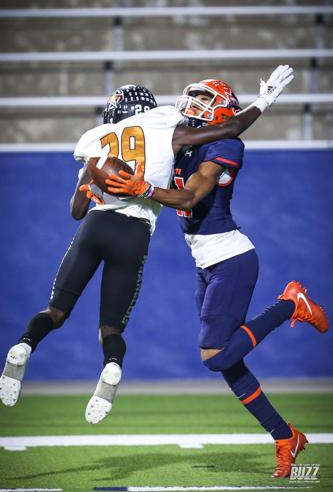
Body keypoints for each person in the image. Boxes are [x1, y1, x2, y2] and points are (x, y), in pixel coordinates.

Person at [0, 66, 293, 426]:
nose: (194, 105)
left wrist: (102, 184)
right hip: (137, 232)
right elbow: (227, 129)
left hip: (100, 224)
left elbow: (77, 210)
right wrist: (264, 100)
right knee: (112, 329)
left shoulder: (98, 139)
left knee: (56, 311)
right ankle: (111, 369)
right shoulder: (167, 130)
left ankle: (25, 343)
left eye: (204, 100)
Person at [105, 75, 329, 478]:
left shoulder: (225, 144)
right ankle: (285, 437)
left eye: (204, 98)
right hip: (206, 263)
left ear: (222, 108)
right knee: (228, 363)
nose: (193, 103)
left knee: (217, 356)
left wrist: (143, 188)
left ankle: (290, 304)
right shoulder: (182, 140)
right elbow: (141, 163)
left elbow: (190, 196)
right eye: (193, 96)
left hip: (231, 259)